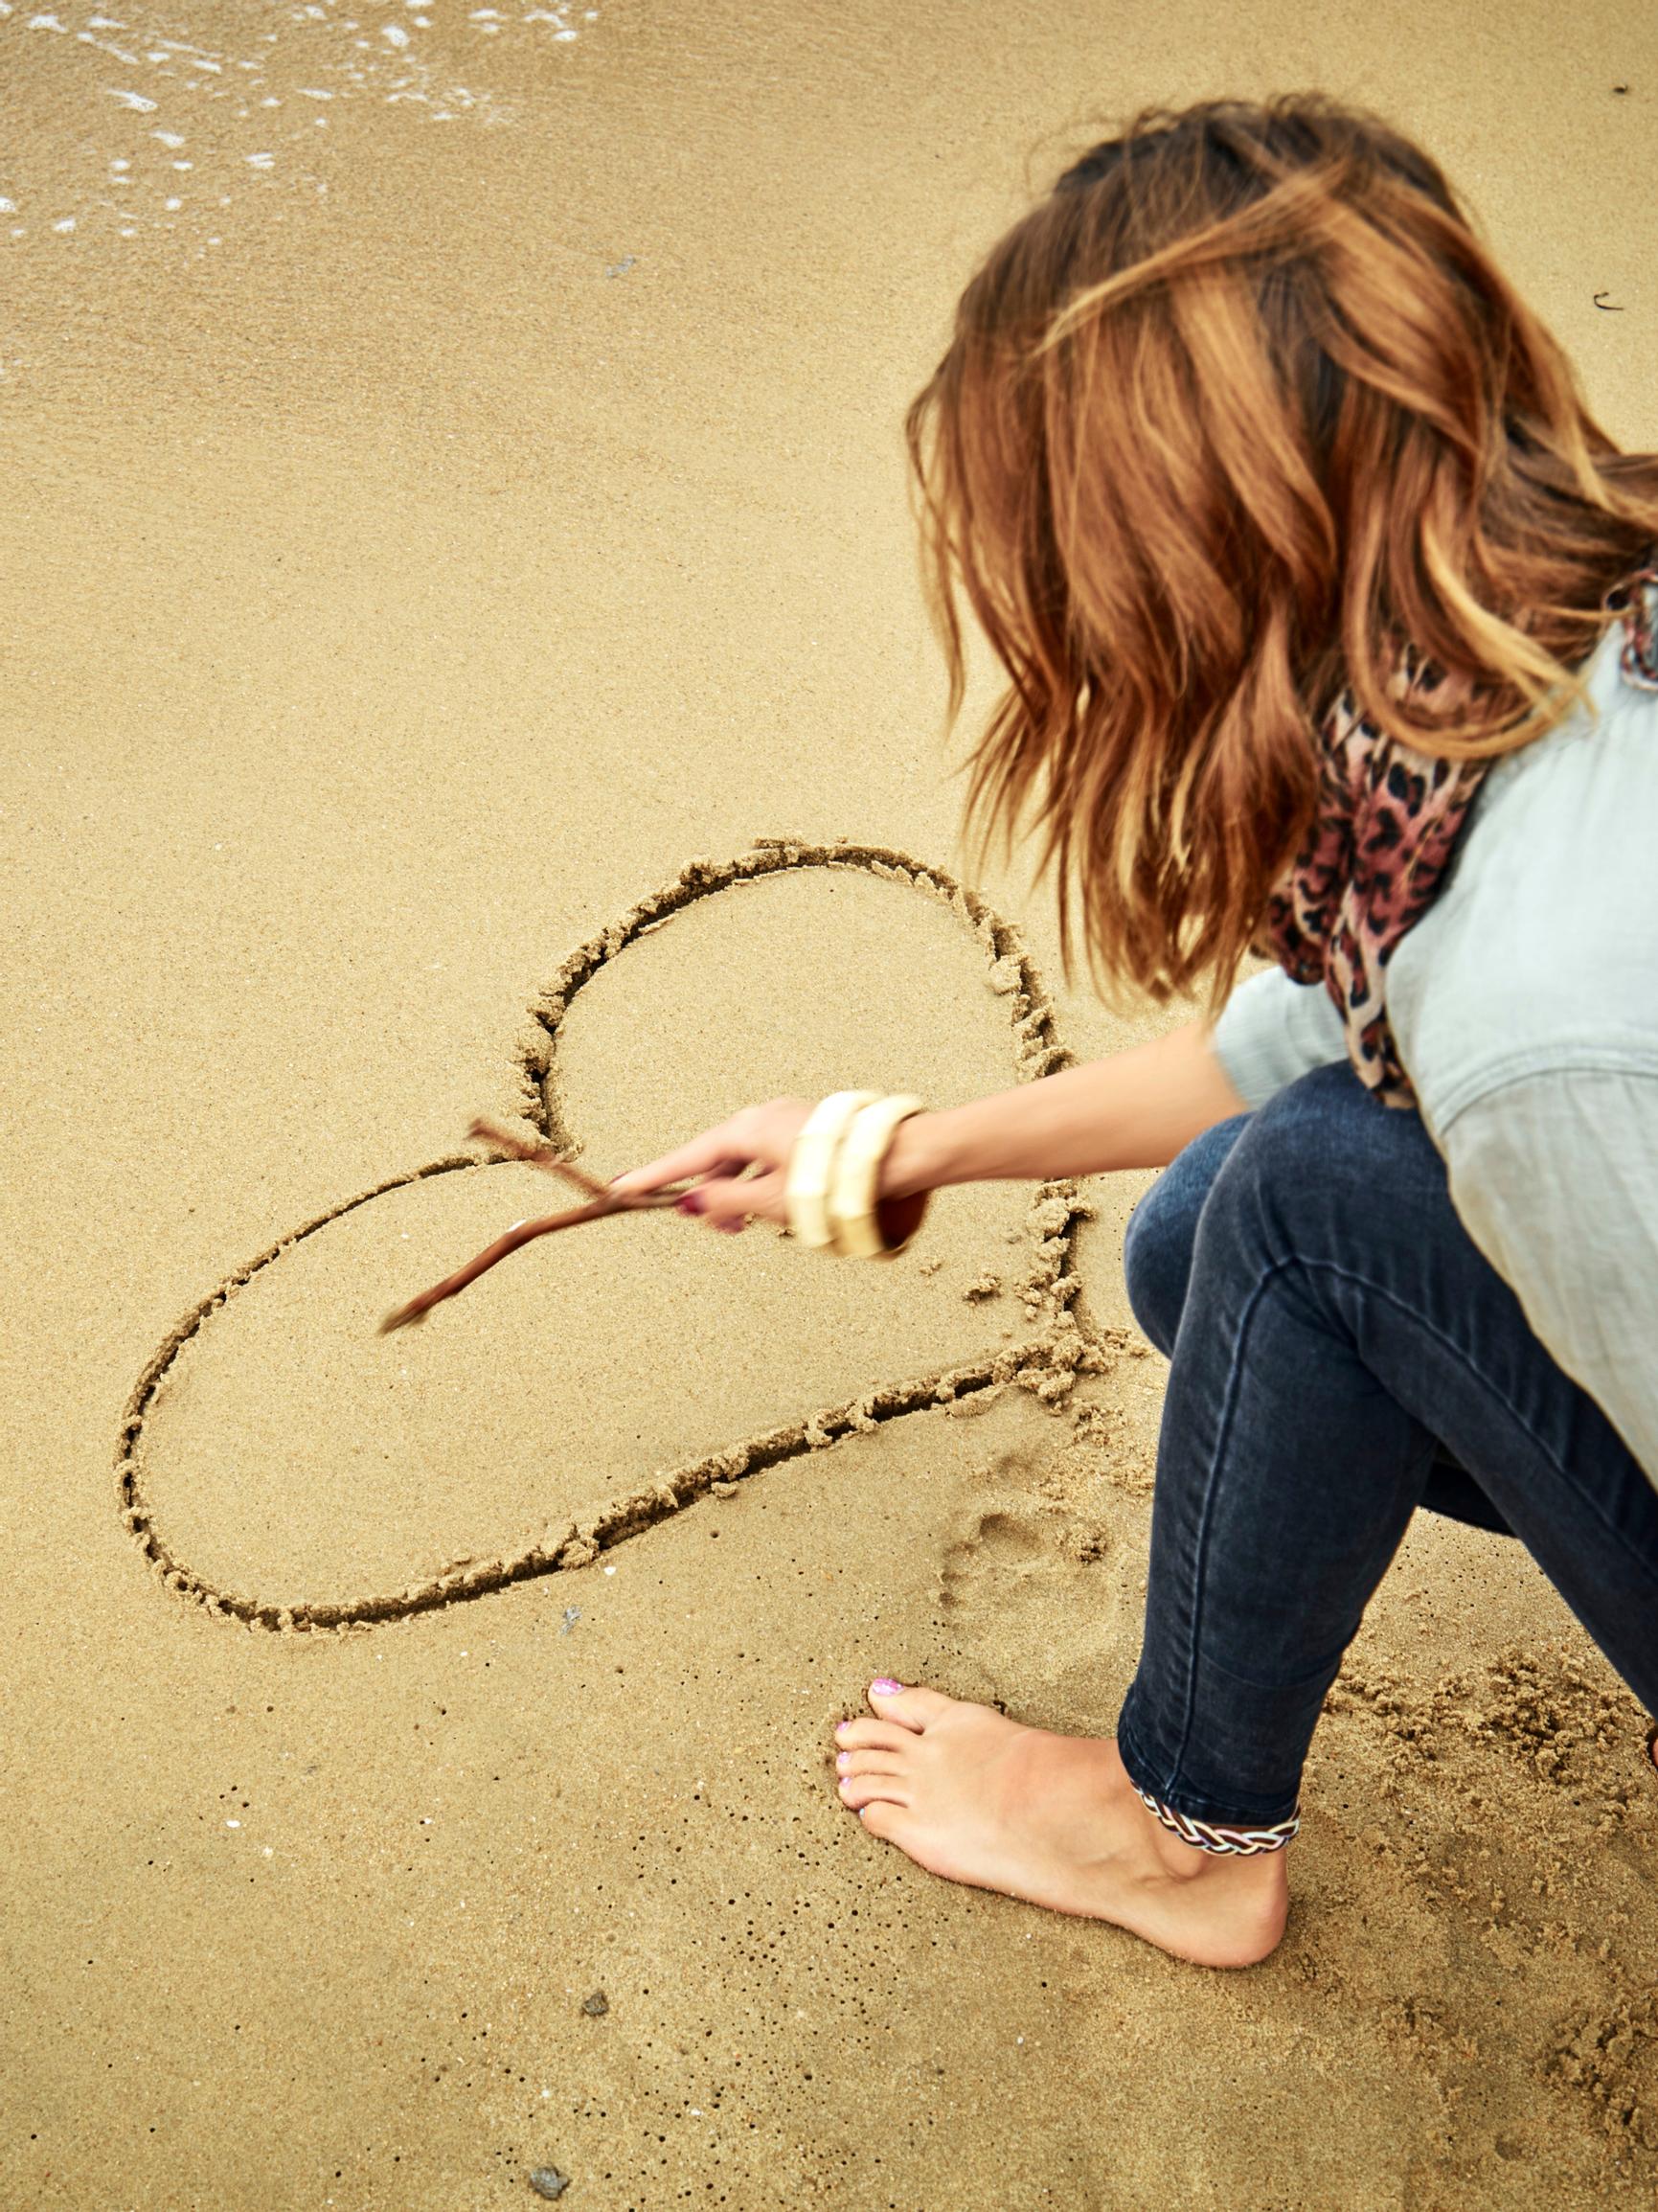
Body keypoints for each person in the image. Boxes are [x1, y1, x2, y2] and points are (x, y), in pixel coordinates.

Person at [607, 95, 1658, 1969]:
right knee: (1212, 1228)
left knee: (1304, 1207)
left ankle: (1178, 1840)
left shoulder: (1536, 1023)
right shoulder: (1559, 625)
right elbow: (1307, 1032)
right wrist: (884, 1148)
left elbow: (1451, 1048)